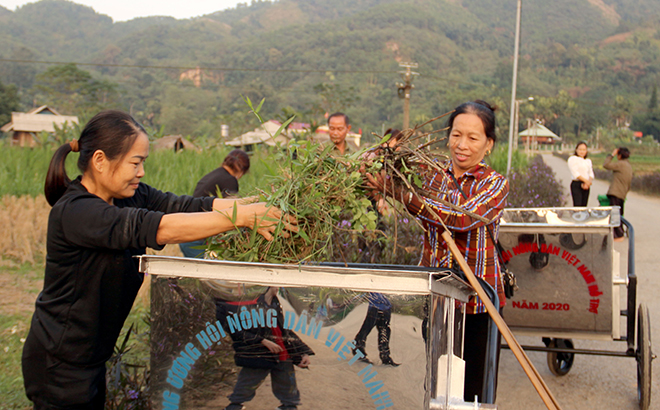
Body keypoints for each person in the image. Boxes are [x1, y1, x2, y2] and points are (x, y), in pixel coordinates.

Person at [21, 110, 296, 410]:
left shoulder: (128, 196)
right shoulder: (76, 212)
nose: (141, 172)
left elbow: (185, 205)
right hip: (59, 363)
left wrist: (254, 204)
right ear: (100, 161)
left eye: (143, 163)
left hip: (89, 357)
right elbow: (159, 226)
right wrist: (240, 218)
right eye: (135, 163)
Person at [365, 100, 508, 403]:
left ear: (489, 144)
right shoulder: (432, 176)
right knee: (437, 386)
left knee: (472, 392)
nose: (462, 145)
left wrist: (402, 194)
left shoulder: (495, 184)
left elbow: (460, 218)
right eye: (457, 135)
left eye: (473, 137)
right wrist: (377, 166)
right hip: (438, 302)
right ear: (448, 136)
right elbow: (379, 167)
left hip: (477, 303)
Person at [216, 287, 313, 410]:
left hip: (283, 358)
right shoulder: (244, 304)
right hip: (258, 356)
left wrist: (303, 352)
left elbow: (284, 330)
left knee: (290, 399)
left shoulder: (275, 304)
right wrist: (262, 341)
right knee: (241, 393)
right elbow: (236, 331)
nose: (278, 286)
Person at [179, 149, 250, 258]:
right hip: (196, 237)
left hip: (186, 233)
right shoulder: (230, 181)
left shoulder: (215, 175)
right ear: (242, 171)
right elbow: (233, 213)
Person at [352, 292, 399, 366]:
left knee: (384, 330)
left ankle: (385, 355)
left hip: (386, 307)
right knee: (367, 327)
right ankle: (358, 347)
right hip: (375, 306)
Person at [604, 147, 632, 242]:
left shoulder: (621, 164)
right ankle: (620, 233)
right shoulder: (628, 166)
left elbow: (606, 165)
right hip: (622, 193)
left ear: (619, 155)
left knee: (615, 215)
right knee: (620, 214)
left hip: (615, 193)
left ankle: (618, 235)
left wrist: (612, 155)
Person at [567, 141, 594, 206]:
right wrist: (586, 181)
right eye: (580, 149)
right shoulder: (573, 159)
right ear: (576, 150)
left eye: (584, 150)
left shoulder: (588, 161)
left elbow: (591, 173)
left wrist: (588, 183)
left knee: (584, 206)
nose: (582, 151)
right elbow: (575, 173)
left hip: (586, 185)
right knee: (578, 205)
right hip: (577, 184)